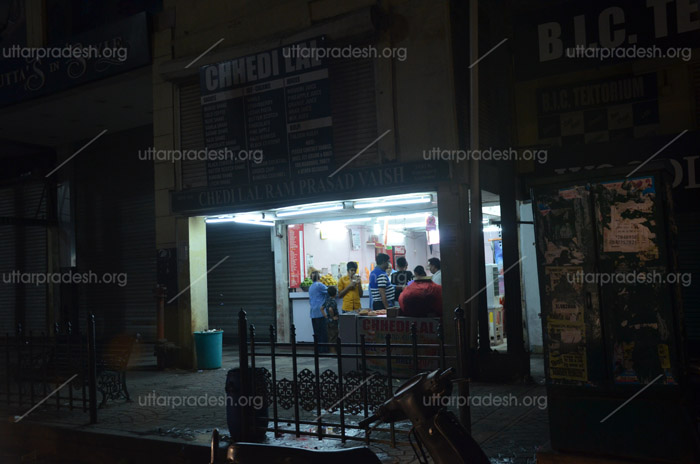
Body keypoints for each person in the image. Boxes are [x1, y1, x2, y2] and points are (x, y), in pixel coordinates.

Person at [308, 270, 329, 353]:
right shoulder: (320, 285)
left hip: (313, 312)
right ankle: (324, 350)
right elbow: (331, 292)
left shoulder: (311, 287)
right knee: (323, 332)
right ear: (319, 277)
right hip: (320, 312)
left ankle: (318, 349)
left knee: (316, 332)